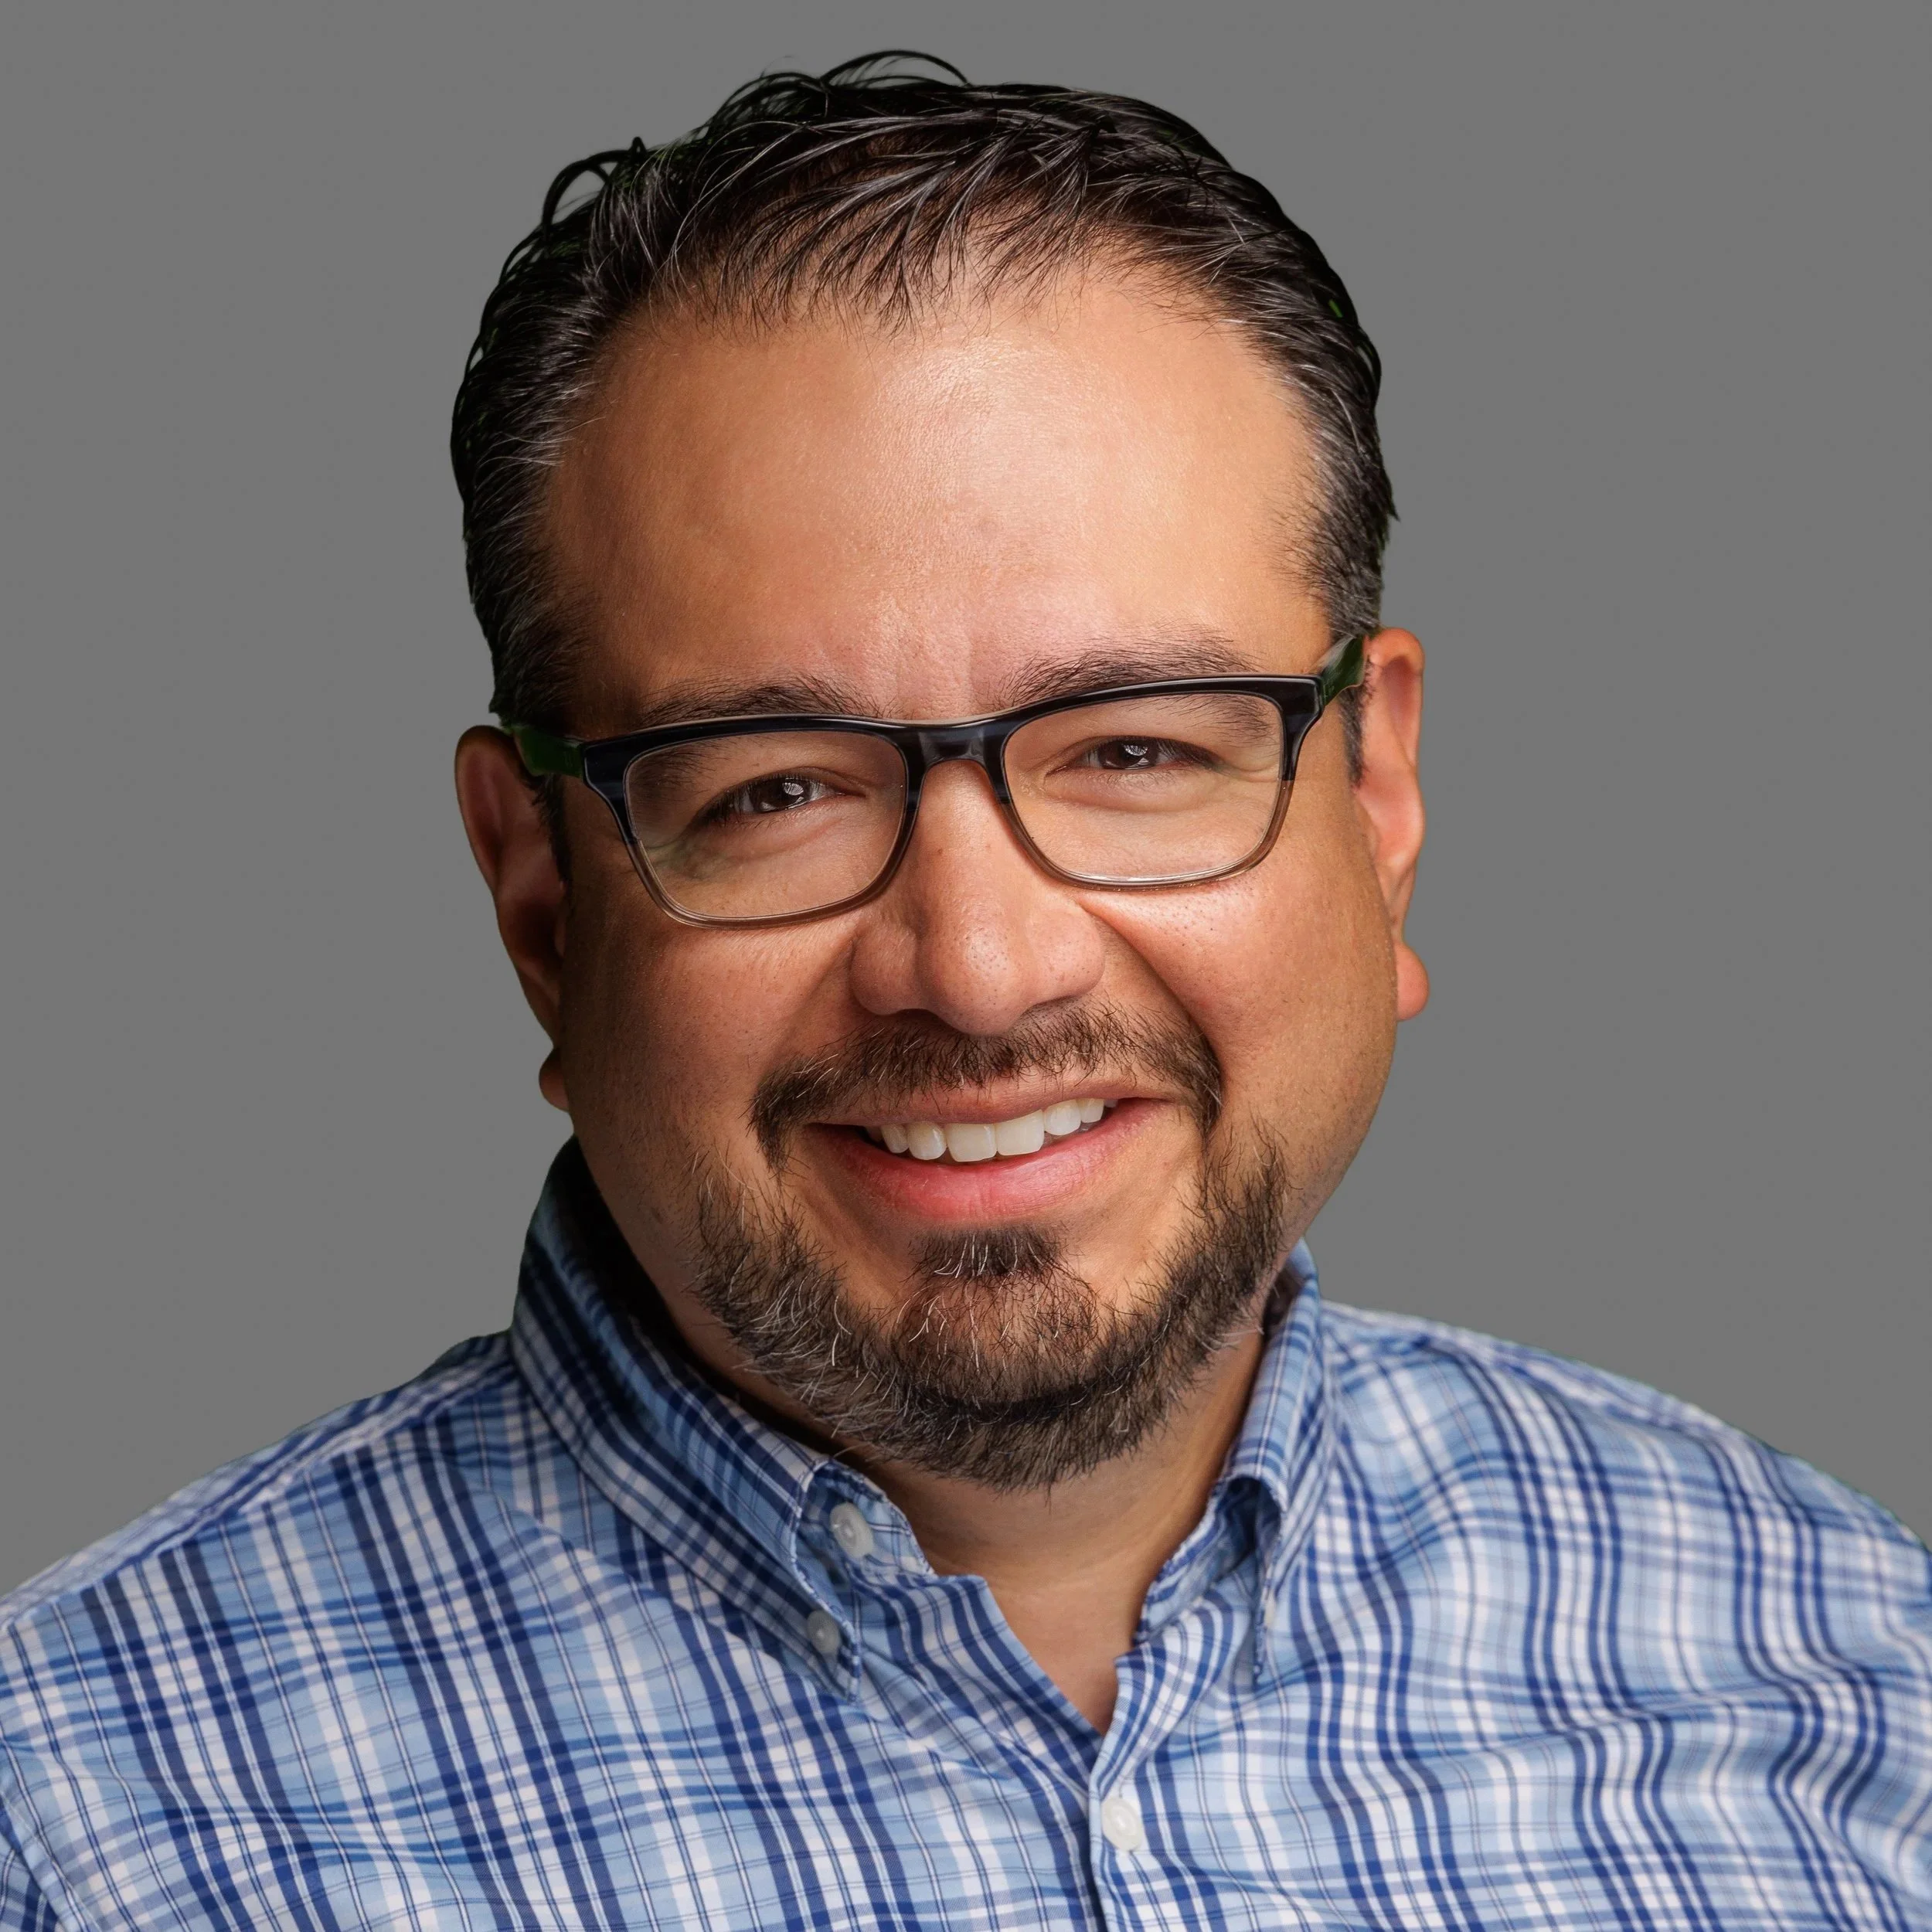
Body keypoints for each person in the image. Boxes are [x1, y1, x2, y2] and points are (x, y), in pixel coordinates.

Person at [2, 55, 1926, 1931]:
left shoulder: (1854, 1672)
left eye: (1139, 750)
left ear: (1378, 800)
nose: (983, 967)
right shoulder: (74, 1822)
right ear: (540, 898)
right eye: (771, 788)